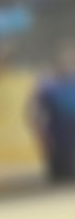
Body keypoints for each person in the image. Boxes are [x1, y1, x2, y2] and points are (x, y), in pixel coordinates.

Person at [29, 39, 75, 181]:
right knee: (59, 171)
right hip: (58, 129)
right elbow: (37, 110)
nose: (70, 62)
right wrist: (41, 131)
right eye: (67, 59)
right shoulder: (49, 83)